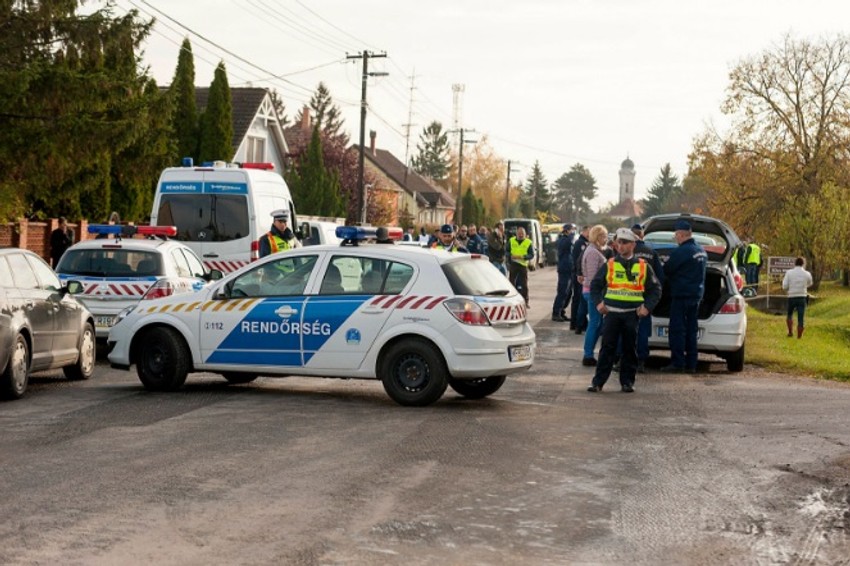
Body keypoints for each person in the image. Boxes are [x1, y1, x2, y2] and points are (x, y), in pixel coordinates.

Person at [587, 227, 662, 393]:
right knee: (607, 349)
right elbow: (595, 285)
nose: (621, 246)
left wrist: (647, 307)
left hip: (631, 314)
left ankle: (627, 382)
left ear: (633, 244)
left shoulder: (643, 266)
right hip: (612, 313)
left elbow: (656, 289)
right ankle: (598, 382)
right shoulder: (610, 265)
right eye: (619, 242)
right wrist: (598, 303)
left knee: (629, 349)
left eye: (625, 243)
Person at [661, 219, 707, 373]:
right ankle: (692, 364)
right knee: (692, 330)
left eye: (676, 235)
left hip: (681, 296)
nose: (676, 238)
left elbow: (667, 269)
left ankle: (678, 363)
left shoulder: (681, 252)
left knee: (677, 330)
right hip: (696, 295)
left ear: (681, 234)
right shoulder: (701, 250)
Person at [630, 223, 665, 372]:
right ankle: (640, 361)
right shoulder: (651, 253)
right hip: (645, 297)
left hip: (626, 297)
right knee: (643, 330)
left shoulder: (626, 251)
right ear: (642, 235)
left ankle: (622, 359)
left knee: (625, 330)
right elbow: (660, 278)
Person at [581, 225, 610, 365]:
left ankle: (589, 353)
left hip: (594, 292)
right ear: (598, 237)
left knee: (597, 324)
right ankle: (588, 355)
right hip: (593, 293)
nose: (606, 239)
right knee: (594, 323)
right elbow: (593, 278)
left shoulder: (594, 250)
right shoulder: (593, 252)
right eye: (604, 236)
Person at [782, 256, 813, 338]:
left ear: (795, 263)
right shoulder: (807, 273)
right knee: (801, 317)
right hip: (802, 297)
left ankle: (790, 332)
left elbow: (784, 286)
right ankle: (799, 336)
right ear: (803, 264)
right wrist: (804, 286)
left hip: (792, 296)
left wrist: (789, 289)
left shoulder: (789, 273)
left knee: (789, 314)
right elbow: (810, 283)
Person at [551, 223, 574, 322]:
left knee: (568, 293)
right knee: (562, 291)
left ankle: (561, 311)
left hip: (569, 268)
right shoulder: (563, 240)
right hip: (564, 269)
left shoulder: (567, 239)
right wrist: (571, 236)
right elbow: (567, 244)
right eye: (571, 230)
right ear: (567, 230)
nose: (573, 232)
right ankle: (556, 312)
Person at [508, 226, 534, 307]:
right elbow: (506, 251)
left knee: (524, 285)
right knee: (511, 283)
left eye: (522, 234)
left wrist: (523, 257)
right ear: (516, 234)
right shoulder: (511, 240)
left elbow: (531, 254)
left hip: (523, 265)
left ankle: (525, 302)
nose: (521, 235)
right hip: (514, 264)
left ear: (525, 234)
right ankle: (511, 301)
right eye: (519, 233)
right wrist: (510, 255)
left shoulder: (528, 242)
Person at [571, 225, 590, 333]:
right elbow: (578, 260)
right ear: (584, 231)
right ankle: (576, 323)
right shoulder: (580, 243)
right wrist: (579, 273)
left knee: (579, 300)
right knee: (578, 299)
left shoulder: (585, 243)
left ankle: (578, 323)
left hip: (581, 275)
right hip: (579, 275)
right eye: (588, 232)